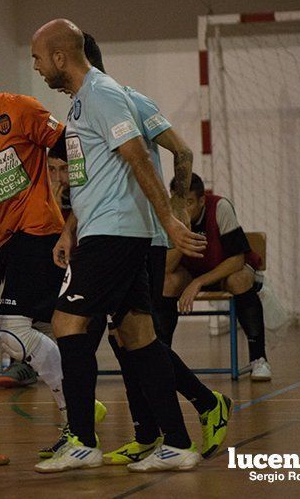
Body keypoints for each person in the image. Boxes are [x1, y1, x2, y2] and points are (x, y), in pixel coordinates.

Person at [31, 19, 211, 473]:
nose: (35, 67)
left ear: (59, 57)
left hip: (115, 232)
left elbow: (136, 157)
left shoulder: (103, 94)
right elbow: (97, 175)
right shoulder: (81, 103)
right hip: (104, 229)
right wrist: (72, 227)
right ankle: (177, 443)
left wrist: (169, 218)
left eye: (37, 58)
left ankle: (83, 441)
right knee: (136, 335)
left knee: (66, 323)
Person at [78, 32, 234, 467]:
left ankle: (202, 405)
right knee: (125, 336)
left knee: (138, 338)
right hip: (112, 234)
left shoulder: (126, 99)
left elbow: (181, 151)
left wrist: (178, 210)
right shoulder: (83, 105)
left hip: (143, 236)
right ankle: (151, 432)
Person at [0, 42, 106, 456]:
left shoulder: (20, 108)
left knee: (13, 332)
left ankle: (79, 413)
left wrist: (80, 206)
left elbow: (70, 145)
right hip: (10, 241)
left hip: (42, 232)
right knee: (31, 332)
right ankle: (82, 413)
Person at [163, 173, 271, 380]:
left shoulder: (220, 207)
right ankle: (162, 359)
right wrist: (182, 232)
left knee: (239, 280)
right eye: (178, 202)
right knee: (166, 283)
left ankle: (259, 359)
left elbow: (237, 259)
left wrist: (199, 282)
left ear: (202, 200)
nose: (183, 209)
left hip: (223, 269)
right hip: (190, 271)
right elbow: (167, 268)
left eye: (190, 203)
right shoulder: (168, 215)